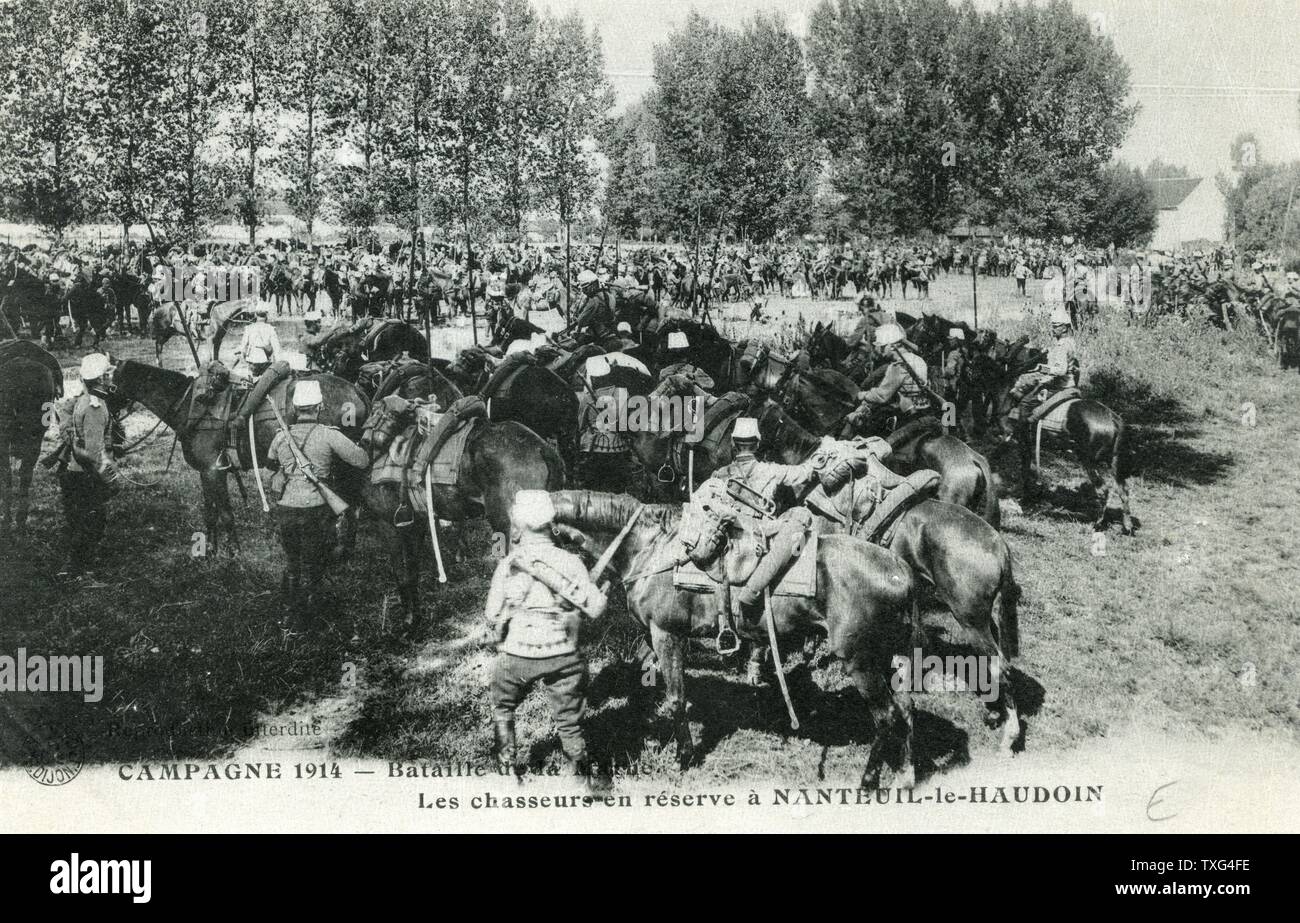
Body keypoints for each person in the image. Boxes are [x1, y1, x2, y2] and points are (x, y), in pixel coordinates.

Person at [486, 490, 609, 782]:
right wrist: (602, 595)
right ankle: (580, 781)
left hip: (518, 654)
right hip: (564, 654)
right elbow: (596, 609)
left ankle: (507, 773)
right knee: (569, 720)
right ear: (549, 522)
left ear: (520, 525)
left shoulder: (509, 563)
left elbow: (491, 615)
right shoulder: (571, 562)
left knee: (502, 704)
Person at [688, 417, 821, 652]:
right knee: (800, 516)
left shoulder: (719, 474)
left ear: (733, 444)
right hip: (761, 540)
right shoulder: (771, 470)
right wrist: (821, 456)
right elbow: (804, 473)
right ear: (758, 444)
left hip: (728, 544)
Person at [265, 379, 369, 629]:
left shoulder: (281, 436)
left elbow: (270, 464)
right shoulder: (329, 434)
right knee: (314, 564)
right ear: (320, 407)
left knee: (292, 563)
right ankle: (314, 616)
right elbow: (362, 461)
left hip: (287, 509)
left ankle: (290, 614)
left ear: (295, 409)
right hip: (316, 508)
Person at [57, 353, 118, 578]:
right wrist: (110, 478)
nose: (112, 378)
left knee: (83, 520)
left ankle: (79, 566)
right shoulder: (96, 407)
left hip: (75, 471)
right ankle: (76, 569)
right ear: (101, 379)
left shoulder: (83, 399)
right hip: (86, 475)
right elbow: (94, 453)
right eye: (109, 374)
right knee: (93, 521)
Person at [999, 305, 1078, 437]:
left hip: (1059, 385)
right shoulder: (1070, 342)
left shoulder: (1062, 346)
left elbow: (1060, 370)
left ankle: (1022, 435)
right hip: (1069, 382)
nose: (1053, 329)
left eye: (1056, 326)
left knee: (1026, 403)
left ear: (1064, 328)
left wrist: (1043, 368)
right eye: (1052, 325)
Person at [846, 323, 934, 428]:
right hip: (925, 411)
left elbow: (882, 396)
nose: (879, 350)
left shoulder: (896, 366)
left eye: (882, 347)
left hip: (909, 418)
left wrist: (862, 395)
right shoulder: (919, 359)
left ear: (892, 346)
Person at [570, 269, 615, 343]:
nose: (584, 292)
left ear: (592, 286)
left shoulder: (594, 301)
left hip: (598, 334)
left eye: (585, 288)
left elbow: (582, 321)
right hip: (611, 329)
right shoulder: (609, 295)